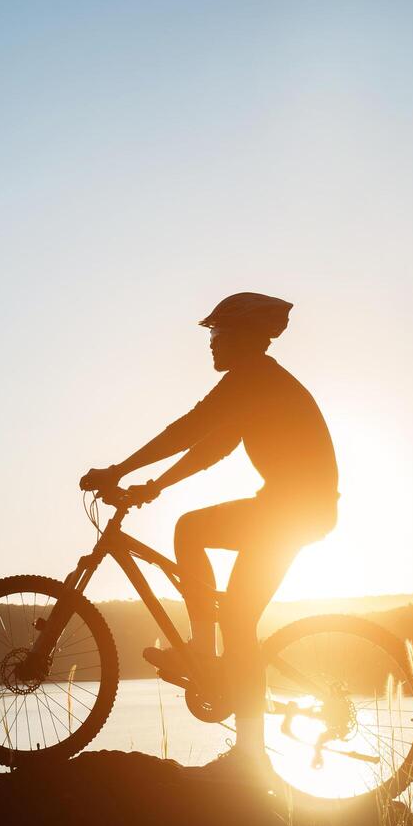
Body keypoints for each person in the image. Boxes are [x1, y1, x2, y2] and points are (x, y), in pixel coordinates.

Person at [80, 292, 339, 781]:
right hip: (290, 508)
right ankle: (246, 744)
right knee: (236, 613)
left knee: (195, 538)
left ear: (243, 338)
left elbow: (190, 428)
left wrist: (120, 470)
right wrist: (151, 486)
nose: (212, 345)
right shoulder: (255, 385)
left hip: (293, 510)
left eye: (218, 335)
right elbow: (211, 445)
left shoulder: (255, 379)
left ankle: (204, 659)